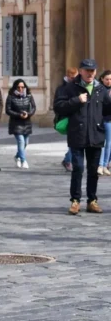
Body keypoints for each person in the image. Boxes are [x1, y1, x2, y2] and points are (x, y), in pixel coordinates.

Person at [54, 58, 111, 214]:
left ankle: (92, 200)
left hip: (96, 135)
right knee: (78, 168)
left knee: (93, 170)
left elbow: (107, 111)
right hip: (77, 134)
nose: (90, 74)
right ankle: (75, 201)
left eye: (92, 71)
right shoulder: (70, 88)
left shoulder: (101, 90)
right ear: (80, 71)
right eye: (87, 70)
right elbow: (58, 107)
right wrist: (76, 101)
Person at [7, 78, 36, 170]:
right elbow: (8, 110)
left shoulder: (29, 96)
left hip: (27, 122)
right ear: (15, 87)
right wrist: (19, 115)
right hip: (16, 123)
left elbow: (33, 107)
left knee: (25, 143)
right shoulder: (11, 96)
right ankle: (24, 160)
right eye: (18, 87)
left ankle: (17, 157)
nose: (20, 89)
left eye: (22, 87)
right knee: (21, 141)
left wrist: (28, 114)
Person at [57, 67, 79, 171]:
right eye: (72, 77)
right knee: (74, 141)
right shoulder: (62, 88)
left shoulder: (79, 86)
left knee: (76, 141)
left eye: (76, 77)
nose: (74, 79)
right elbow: (58, 105)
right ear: (68, 77)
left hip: (78, 117)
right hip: (68, 117)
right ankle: (68, 160)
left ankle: (67, 159)